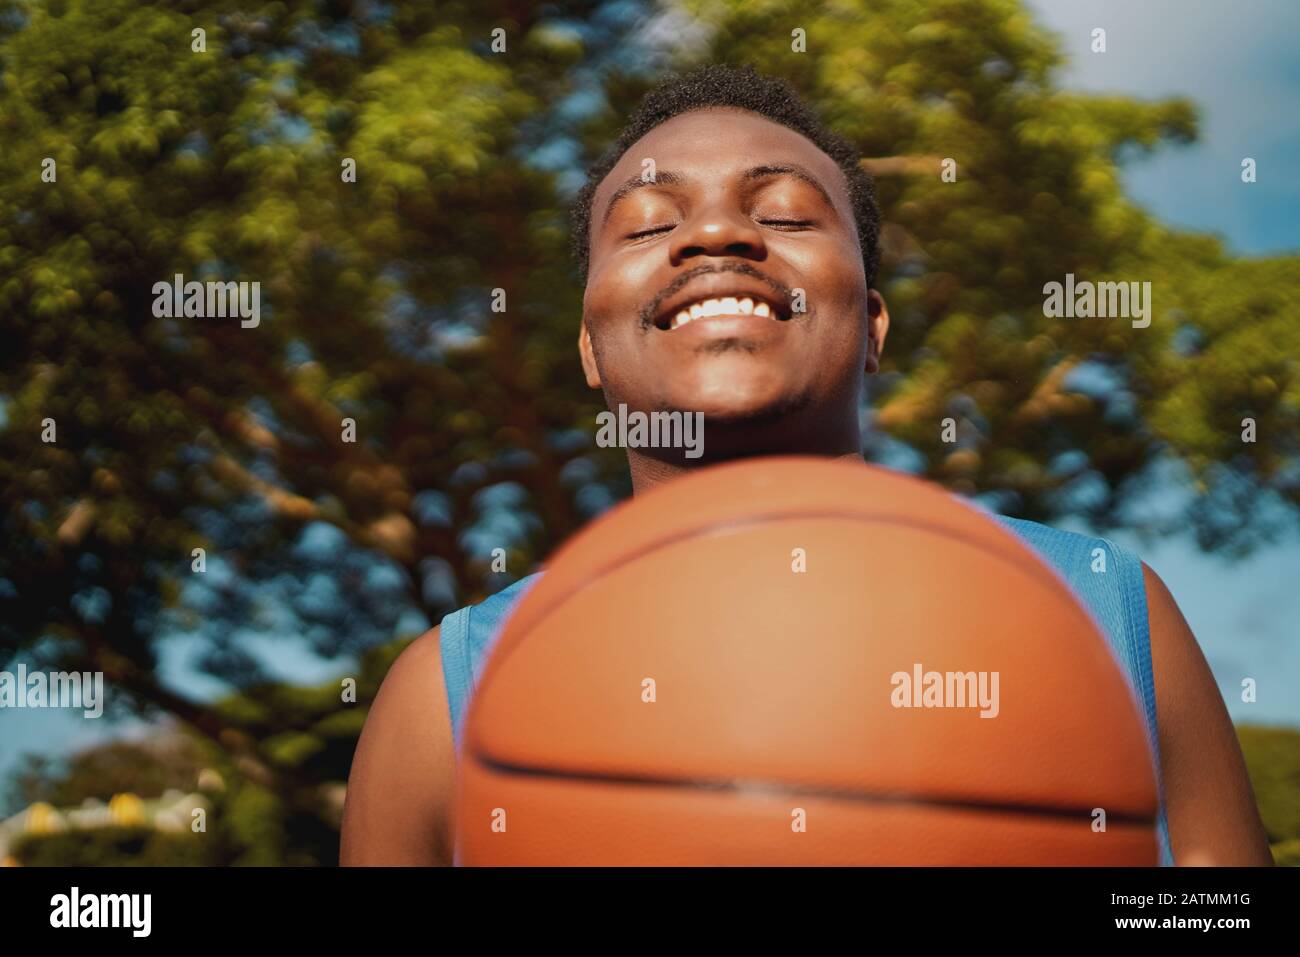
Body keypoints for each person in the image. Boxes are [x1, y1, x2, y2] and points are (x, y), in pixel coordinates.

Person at [340, 64, 1272, 867]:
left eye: (783, 212)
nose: (713, 238)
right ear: (589, 346)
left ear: (870, 323)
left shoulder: (1108, 607)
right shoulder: (446, 694)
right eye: (643, 224)